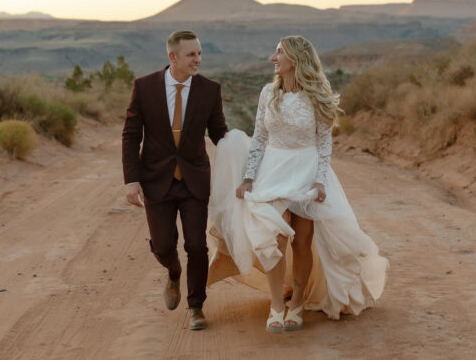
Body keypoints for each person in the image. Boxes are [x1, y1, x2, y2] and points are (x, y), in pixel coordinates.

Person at [207, 36, 387, 333]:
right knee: (273, 239)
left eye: (279, 52)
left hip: (306, 172)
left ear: (296, 58)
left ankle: (298, 302)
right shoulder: (268, 93)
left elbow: (324, 143)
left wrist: (320, 181)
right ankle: (277, 305)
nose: (273, 57)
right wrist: (248, 177)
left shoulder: (318, 96)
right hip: (272, 172)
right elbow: (259, 139)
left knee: (302, 242)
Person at [122, 30, 228, 331]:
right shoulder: (144, 87)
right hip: (156, 179)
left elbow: (219, 132)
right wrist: (131, 180)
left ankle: (196, 306)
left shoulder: (209, 89)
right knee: (162, 245)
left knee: (197, 245)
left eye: (199, 53)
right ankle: (173, 271)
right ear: (173, 57)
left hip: (194, 180)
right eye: (191, 54)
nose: (198, 59)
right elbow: (131, 135)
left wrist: (247, 154)